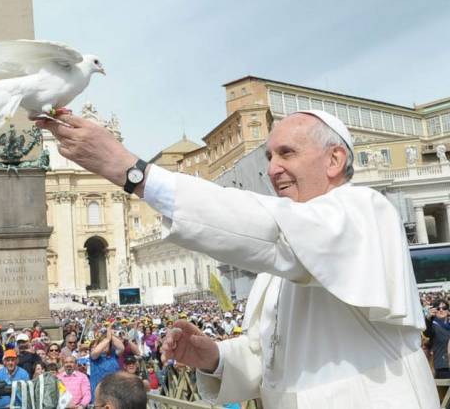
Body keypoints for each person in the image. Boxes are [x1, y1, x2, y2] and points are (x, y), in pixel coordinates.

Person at [37, 109, 437, 408]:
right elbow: (267, 357)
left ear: (334, 160)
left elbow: (269, 227)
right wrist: (215, 357)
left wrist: (134, 172)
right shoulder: (281, 265)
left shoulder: (364, 210)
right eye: (269, 157)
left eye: (287, 153)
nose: (273, 168)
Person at [424, 299, 450, 378]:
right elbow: (427, 333)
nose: (441, 310)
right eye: (438, 309)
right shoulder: (433, 325)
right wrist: (428, 319)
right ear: (434, 311)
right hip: (442, 366)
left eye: (444, 308)